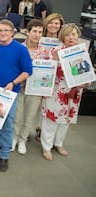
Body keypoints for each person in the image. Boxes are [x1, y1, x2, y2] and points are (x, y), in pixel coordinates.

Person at [0, 19, 32, 172]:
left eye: (6, 30)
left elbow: (27, 71)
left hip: (11, 92)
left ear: (12, 32)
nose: (2, 33)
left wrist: (13, 83)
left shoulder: (20, 49)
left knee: (7, 124)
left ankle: (4, 154)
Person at [40, 24, 89, 161]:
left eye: (73, 34)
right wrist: (54, 60)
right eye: (67, 34)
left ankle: (58, 143)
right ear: (62, 36)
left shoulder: (82, 52)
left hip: (74, 93)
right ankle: (46, 146)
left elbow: (87, 72)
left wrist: (85, 83)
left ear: (78, 36)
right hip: (56, 90)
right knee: (51, 119)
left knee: (66, 120)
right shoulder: (55, 51)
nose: (71, 37)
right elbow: (46, 72)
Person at [12, 19, 49, 155]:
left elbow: (48, 72)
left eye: (40, 32)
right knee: (16, 116)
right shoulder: (18, 48)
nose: (37, 35)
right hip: (19, 88)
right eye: (34, 31)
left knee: (29, 117)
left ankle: (23, 140)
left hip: (35, 90)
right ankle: (14, 138)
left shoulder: (45, 52)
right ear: (27, 32)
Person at [35, 13, 65, 141]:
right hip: (39, 76)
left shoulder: (63, 41)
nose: (53, 26)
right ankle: (37, 127)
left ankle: (43, 131)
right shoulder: (39, 37)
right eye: (51, 23)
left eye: (56, 23)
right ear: (46, 24)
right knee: (36, 105)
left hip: (56, 79)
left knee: (48, 105)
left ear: (60, 25)